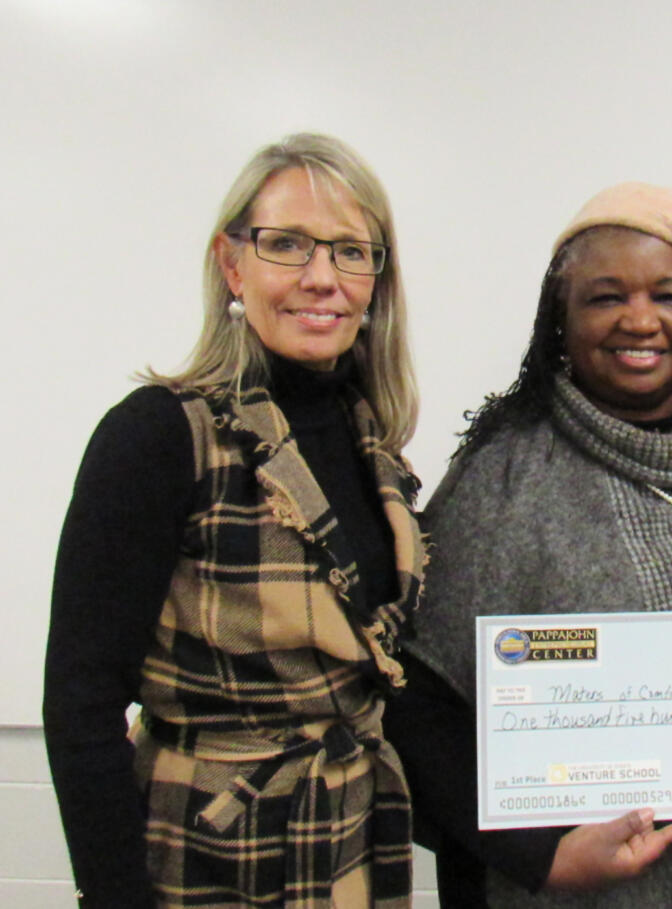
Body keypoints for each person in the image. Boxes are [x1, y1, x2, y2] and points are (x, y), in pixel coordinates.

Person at [403, 182, 672, 907]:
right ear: (560, 317)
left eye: (668, 295)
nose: (640, 320)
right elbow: (416, 702)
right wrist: (540, 856)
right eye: (604, 297)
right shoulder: (502, 480)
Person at [43, 133, 428, 908]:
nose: (322, 278)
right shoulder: (159, 435)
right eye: (287, 244)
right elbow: (80, 701)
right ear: (231, 263)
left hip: (354, 851)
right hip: (210, 860)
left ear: (376, 282)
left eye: (352, 251)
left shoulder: (374, 447)